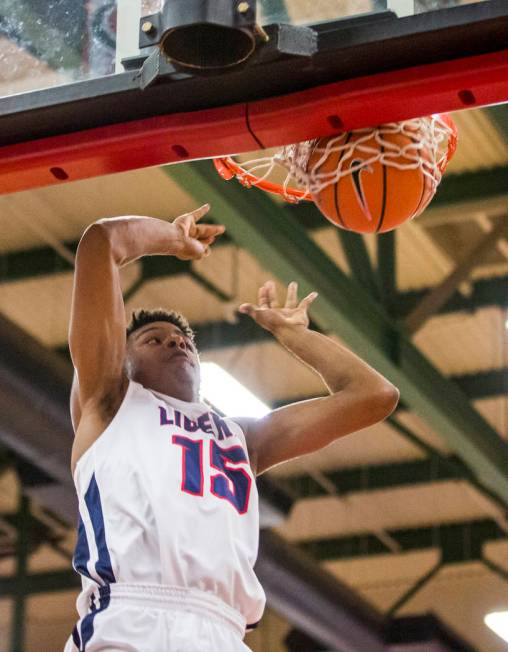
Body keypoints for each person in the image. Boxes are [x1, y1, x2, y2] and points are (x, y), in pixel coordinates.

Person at [65, 204, 399, 652]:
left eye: (185, 342)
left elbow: (373, 396)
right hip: (130, 620)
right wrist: (172, 239)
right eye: (154, 340)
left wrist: (298, 337)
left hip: (223, 632)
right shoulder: (108, 403)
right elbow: (100, 242)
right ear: (121, 361)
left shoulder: (241, 438)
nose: (176, 344)